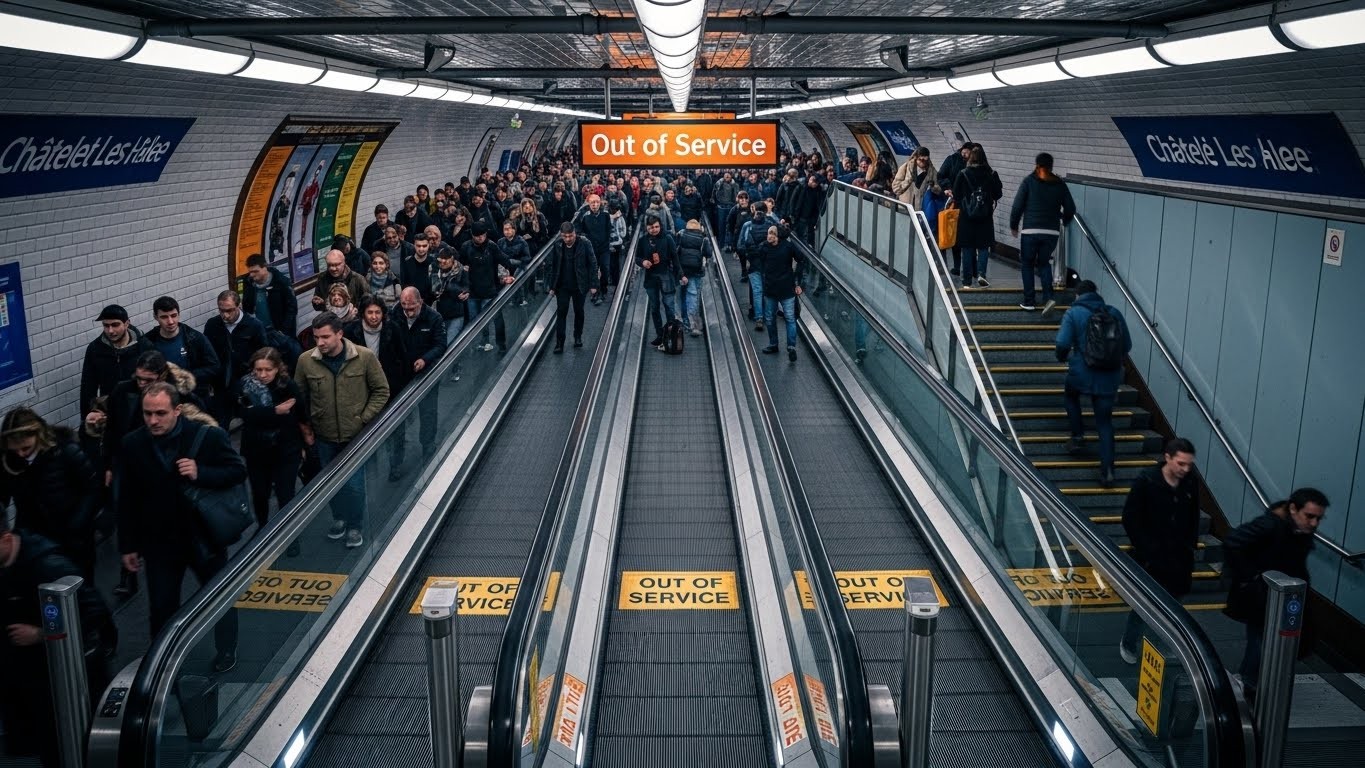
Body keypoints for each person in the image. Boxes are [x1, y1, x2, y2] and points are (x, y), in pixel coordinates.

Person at [118, 382, 245, 673]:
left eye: (160, 413)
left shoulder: (206, 437)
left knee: (218, 598)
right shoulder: (133, 444)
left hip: (203, 537)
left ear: (177, 410)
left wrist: (202, 473)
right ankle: (164, 665)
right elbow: (127, 498)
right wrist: (128, 545)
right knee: (161, 607)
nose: (153, 420)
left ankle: (227, 649)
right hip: (160, 542)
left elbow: (237, 470)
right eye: (147, 413)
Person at [0, 520, 114, 767]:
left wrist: (40, 633)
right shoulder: (10, 565)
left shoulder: (48, 566)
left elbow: (95, 611)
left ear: (6, 538)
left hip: (64, 676)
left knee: (69, 747)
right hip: (31, 678)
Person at [1224, 488, 1328, 702]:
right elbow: (1233, 542)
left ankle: (1249, 681)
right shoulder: (1270, 525)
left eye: (1318, 518)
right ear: (1292, 509)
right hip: (1262, 594)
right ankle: (1249, 684)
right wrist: (1250, 577)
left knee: (1264, 641)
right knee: (1260, 640)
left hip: (1285, 593)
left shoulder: (1298, 529)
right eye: (1309, 516)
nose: (1314, 523)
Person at [296, 313, 389, 548]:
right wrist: (307, 427)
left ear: (340, 334)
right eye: (317, 337)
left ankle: (355, 524)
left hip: (355, 436)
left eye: (326, 337)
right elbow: (300, 396)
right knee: (330, 483)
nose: (320, 343)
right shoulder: (306, 361)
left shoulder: (364, 357)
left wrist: (363, 418)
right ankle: (339, 518)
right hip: (324, 435)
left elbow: (381, 390)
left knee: (355, 484)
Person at [1119, 438, 1200, 664]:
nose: (1185, 469)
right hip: (1151, 557)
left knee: (1175, 603)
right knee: (1145, 603)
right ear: (1168, 457)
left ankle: (1165, 642)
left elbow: (1193, 514)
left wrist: (1190, 544)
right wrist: (1147, 548)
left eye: (1189, 464)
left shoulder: (1190, 482)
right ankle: (1130, 640)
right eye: (1181, 463)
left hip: (1179, 556)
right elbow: (1130, 518)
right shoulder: (1147, 481)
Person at [0, 408, 98, 581]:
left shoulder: (66, 451)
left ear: (39, 435)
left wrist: (77, 524)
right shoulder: (10, 462)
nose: (21, 454)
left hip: (71, 538)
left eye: (25, 448)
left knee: (76, 589)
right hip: (34, 540)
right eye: (15, 450)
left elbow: (92, 489)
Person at [1054, 280, 1132, 486]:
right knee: (1105, 422)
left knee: (1071, 397)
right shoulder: (1113, 312)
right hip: (1110, 376)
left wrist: (1063, 357)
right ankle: (1108, 471)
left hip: (1082, 372)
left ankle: (1078, 437)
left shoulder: (1073, 313)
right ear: (1096, 293)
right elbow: (1127, 345)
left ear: (1077, 295)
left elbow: (1062, 343)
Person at [237, 347, 308, 551]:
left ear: (277, 368)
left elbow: (300, 413)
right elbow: (243, 413)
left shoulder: (288, 386)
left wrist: (305, 442)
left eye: (268, 370)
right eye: (258, 370)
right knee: (260, 494)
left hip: (285, 449)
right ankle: (263, 528)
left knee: (286, 493)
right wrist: (274, 411)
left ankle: (290, 536)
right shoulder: (245, 386)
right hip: (256, 451)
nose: (262, 375)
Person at [388, 288, 446, 479]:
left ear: (420, 302)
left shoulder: (434, 318)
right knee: (396, 421)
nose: (407, 311)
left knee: (428, 412)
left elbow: (440, 345)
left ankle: (428, 447)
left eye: (412, 307)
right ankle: (395, 462)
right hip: (400, 376)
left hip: (425, 374)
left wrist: (425, 359)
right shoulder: (394, 315)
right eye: (404, 306)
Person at [1009, 152, 1076, 312]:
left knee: (1027, 264)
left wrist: (1014, 225)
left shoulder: (1029, 182)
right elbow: (1071, 208)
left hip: (1030, 230)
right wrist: (1064, 221)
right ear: (1051, 166)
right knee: (1044, 263)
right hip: (1051, 232)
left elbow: (1017, 205)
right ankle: (1048, 298)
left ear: (1036, 164)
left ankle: (1029, 301)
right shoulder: (1060, 183)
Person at [203, 290, 267, 426]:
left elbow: (263, 354)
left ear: (239, 306)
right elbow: (207, 354)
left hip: (246, 382)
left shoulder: (254, 326)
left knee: (252, 422)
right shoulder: (212, 325)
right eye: (221, 310)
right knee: (220, 424)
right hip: (221, 384)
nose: (225, 315)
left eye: (229, 310)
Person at [79, 304, 150, 423]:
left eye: (115, 325)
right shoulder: (95, 349)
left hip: (140, 412)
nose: (110, 331)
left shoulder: (144, 346)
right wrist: (87, 415)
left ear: (127, 323)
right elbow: (88, 386)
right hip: (110, 413)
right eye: (106, 326)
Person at [459, 222, 519, 352]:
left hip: (490, 289)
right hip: (473, 291)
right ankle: (483, 341)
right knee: (477, 321)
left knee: (496, 318)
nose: (480, 238)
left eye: (483, 235)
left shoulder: (491, 246)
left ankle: (501, 344)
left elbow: (505, 260)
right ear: (472, 236)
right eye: (477, 236)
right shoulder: (466, 247)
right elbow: (460, 267)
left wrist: (513, 273)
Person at [147, 296, 219, 401]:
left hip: (193, 398)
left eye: (174, 315)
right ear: (156, 317)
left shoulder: (195, 338)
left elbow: (214, 367)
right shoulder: (148, 342)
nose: (170, 321)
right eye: (164, 317)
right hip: (163, 399)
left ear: (179, 314)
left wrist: (187, 375)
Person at [951, 146, 1004, 289]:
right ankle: (981, 274)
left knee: (967, 248)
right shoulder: (992, 174)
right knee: (983, 247)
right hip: (985, 216)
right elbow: (998, 194)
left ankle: (967, 281)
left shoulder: (963, 174)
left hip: (966, 216)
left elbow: (956, 195)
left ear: (970, 158)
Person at [546, 222, 599, 353]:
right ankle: (559, 343)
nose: (568, 239)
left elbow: (592, 264)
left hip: (579, 284)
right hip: (562, 286)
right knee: (561, 313)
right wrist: (552, 286)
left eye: (570, 236)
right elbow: (552, 266)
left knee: (579, 311)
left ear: (575, 233)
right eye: (565, 236)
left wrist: (593, 284)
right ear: (561, 235)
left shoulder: (585, 243)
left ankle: (577, 337)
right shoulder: (557, 245)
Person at [758, 226, 806, 362]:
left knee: (789, 318)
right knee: (770, 318)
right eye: (769, 233)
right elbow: (760, 262)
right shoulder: (764, 247)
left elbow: (801, 259)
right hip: (771, 289)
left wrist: (798, 282)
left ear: (779, 236)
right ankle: (774, 344)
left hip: (785, 289)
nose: (770, 236)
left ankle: (791, 347)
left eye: (773, 234)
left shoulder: (788, 247)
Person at [345, 296, 409, 399]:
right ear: (363, 313)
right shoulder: (351, 331)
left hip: (389, 382)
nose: (374, 317)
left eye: (377, 312)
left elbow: (402, 356)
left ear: (383, 313)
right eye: (370, 312)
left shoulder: (393, 328)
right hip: (362, 384)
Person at [639, 215, 683, 350]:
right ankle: (660, 335)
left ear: (660, 226)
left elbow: (675, 258)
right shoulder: (643, 240)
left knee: (669, 307)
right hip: (651, 278)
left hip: (666, 276)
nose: (654, 229)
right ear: (647, 227)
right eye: (651, 227)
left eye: (657, 226)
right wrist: (642, 262)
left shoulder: (668, 238)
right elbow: (637, 256)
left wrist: (680, 275)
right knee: (654, 308)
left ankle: (670, 335)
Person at [241, 253, 299, 337]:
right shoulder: (248, 282)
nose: (252, 275)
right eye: (250, 272)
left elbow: (292, 308)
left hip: (279, 332)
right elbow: (247, 306)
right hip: (260, 332)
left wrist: (284, 331)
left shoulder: (281, 282)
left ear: (265, 267)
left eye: (255, 271)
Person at [938, 141, 972, 275]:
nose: (966, 156)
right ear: (962, 150)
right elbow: (941, 175)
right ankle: (949, 265)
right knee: (949, 232)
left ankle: (961, 267)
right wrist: (946, 188)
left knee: (960, 236)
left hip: (966, 205)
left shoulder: (973, 164)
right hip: (952, 201)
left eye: (968, 154)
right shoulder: (951, 159)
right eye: (965, 153)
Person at [575, 195, 612, 307]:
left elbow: (609, 229)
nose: (595, 205)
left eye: (597, 202)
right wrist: (583, 236)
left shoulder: (605, 215)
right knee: (593, 270)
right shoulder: (585, 215)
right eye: (592, 203)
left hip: (604, 247)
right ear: (589, 204)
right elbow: (577, 226)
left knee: (605, 268)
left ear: (600, 203)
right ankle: (596, 292)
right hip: (591, 248)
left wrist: (608, 242)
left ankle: (604, 288)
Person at [676, 219, 711, 336]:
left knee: (681, 294)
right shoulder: (703, 239)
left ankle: (682, 319)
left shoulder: (681, 235)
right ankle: (693, 324)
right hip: (696, 271)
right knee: (693, 295)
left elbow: (675, 251)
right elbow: (708, 253)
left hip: (682, 270)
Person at [311, 249, 369, 313]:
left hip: (353, 320)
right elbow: (316, 305)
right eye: (330, 265)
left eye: (337, 265)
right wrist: (319, 303)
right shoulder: (322, 278)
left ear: (344, 262)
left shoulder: (358, 279)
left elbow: (368, 303)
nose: (333, 268)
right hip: (330, 320)